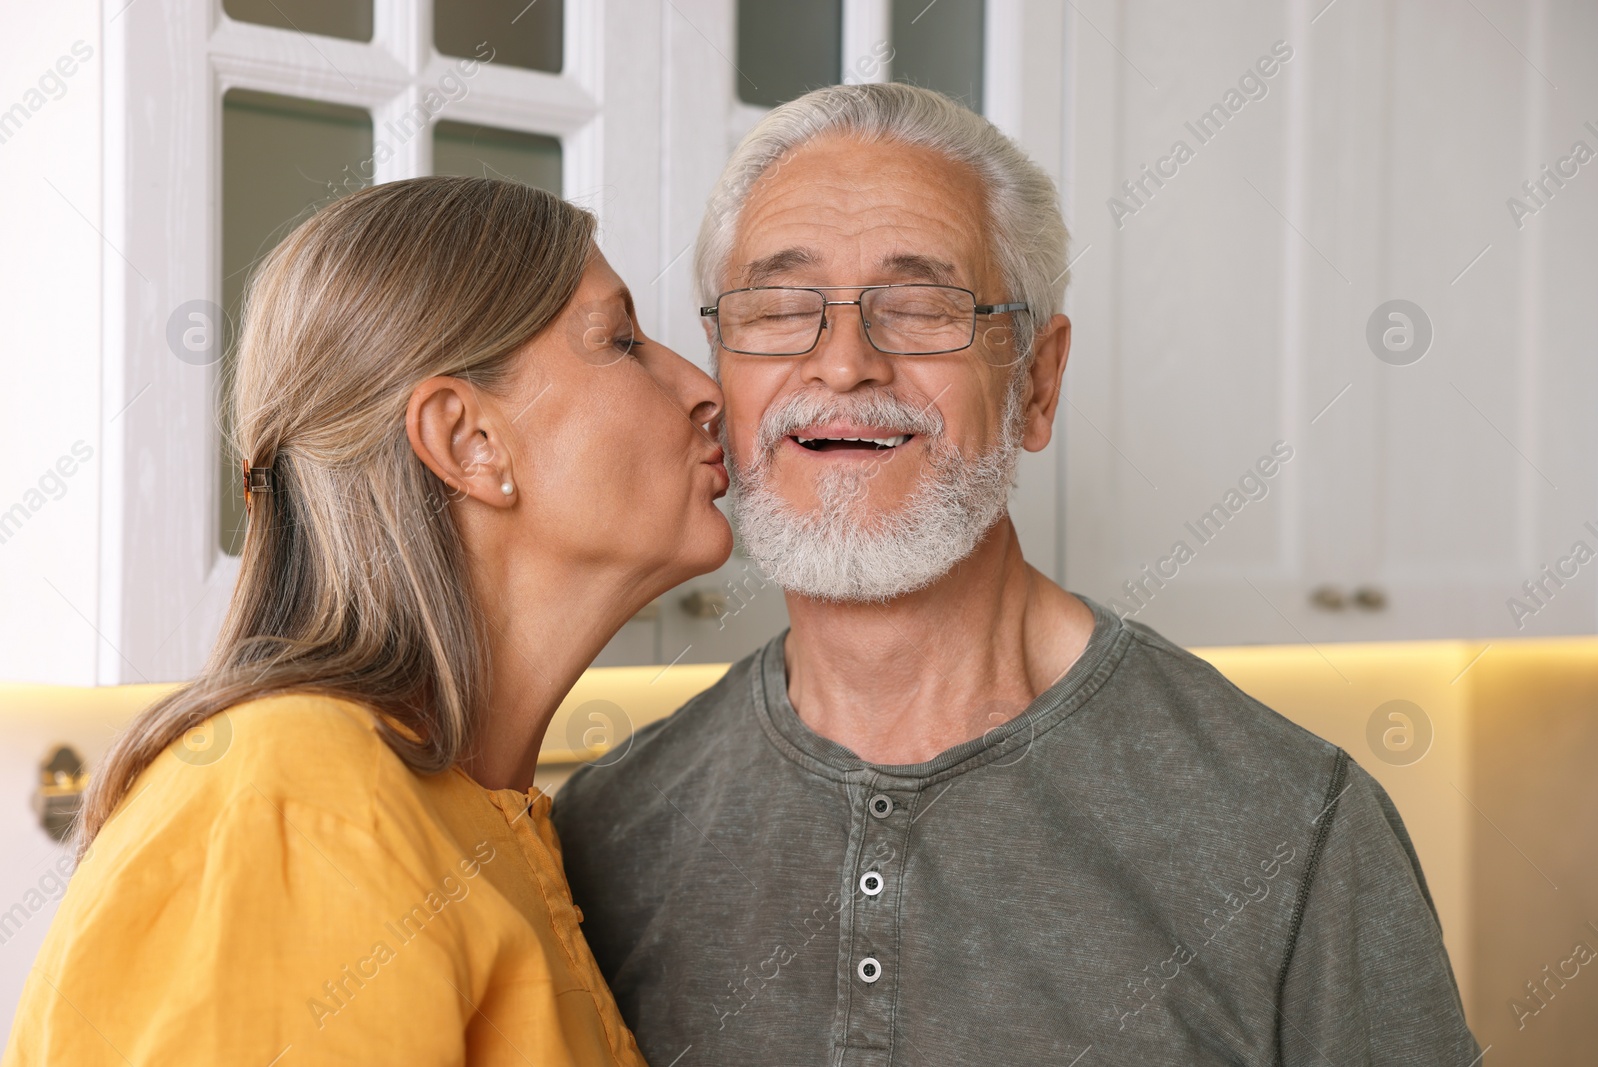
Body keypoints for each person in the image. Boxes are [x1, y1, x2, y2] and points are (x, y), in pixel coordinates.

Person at [553, 83, 1481, 1065]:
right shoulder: (608, 830)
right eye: (779, 309)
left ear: (1035, 382)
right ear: (722, 372)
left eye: (919, 307)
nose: (841, 363)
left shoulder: (1292, 830)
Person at [3, 176, 732, 1066]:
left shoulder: (477, 814)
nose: (707, 390)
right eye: (622, 341)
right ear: (470, 442)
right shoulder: (298, 802)